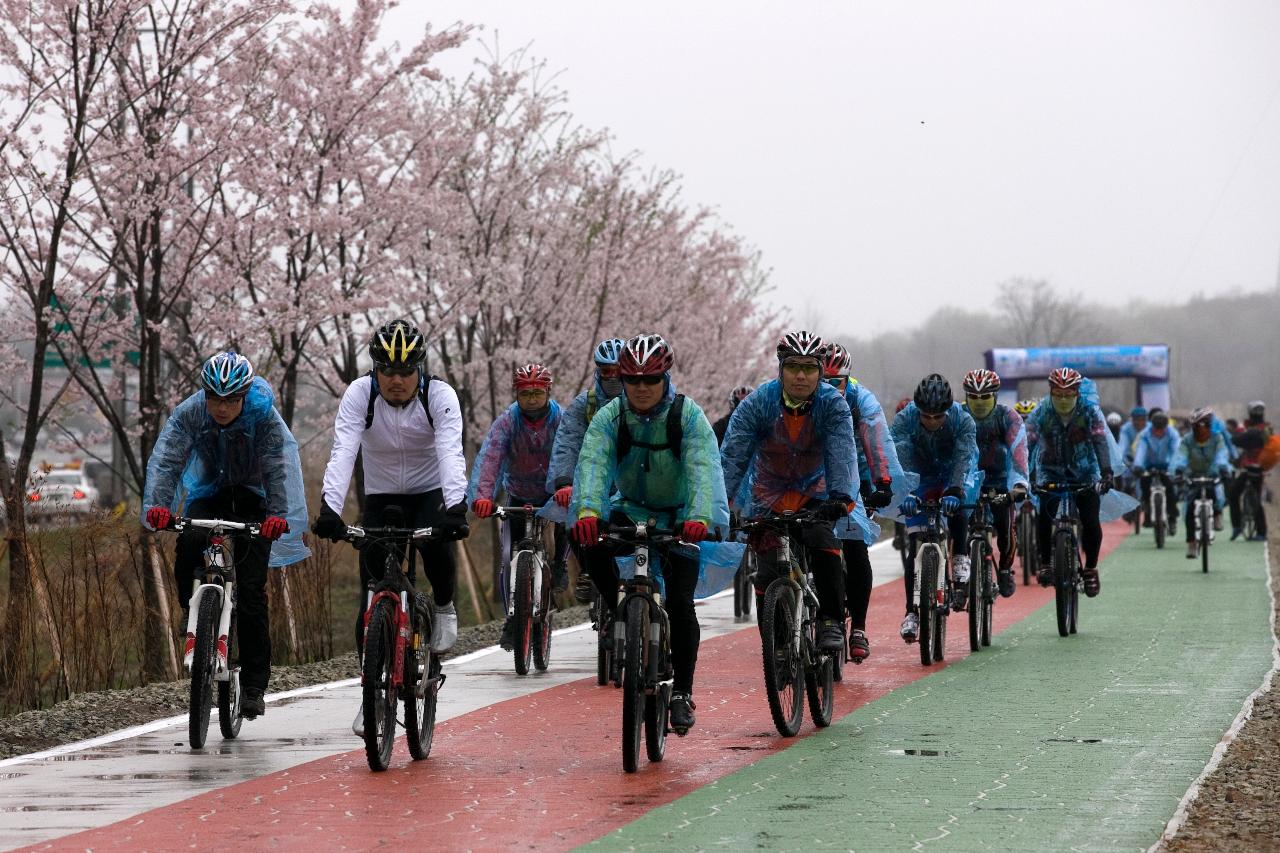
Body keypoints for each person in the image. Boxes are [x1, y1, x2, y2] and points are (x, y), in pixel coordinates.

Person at [311, 319, 470, 737]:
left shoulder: (440, 396)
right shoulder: (360, 396)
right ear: (375, 370)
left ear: (420, 368)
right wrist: (330, 508)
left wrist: (455, 506)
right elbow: (343, 449)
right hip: (381, 494)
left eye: (405, 372)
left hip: (429, 490)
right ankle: (371, 696)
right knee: (371, 588)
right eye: (388, 372)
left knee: (436, 546)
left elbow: (450, 451)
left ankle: (443, 606)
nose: (397, 381)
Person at [570, 334, 724, 735]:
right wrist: (588, 509)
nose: (641, 389)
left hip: (680, 514)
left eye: (650, 380)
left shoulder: (686, 416)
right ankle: (617, 613)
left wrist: (699, 516)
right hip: (631, 506)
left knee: (680, 604)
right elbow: (592, 463)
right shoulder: (611, 417)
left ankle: (683, 693)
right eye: (631, 380)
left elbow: (703, 468)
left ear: (664, 379)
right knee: (590, 542)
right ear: (621, 380)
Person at [142, 352, 309, 720]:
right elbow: (168, 460)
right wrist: (159, 506)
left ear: (244, 396)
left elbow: (279, 465)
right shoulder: (190, 413)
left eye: (231, 400)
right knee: (188, 544)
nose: (221, 407)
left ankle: (253, 685)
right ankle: (195, 618)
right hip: (209, 495)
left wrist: (278, 516)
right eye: (215, 398)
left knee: (251, 594)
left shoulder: (263, 417)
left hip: (255, 500)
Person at [721, 331, 857, 655]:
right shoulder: (759, 402)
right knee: (767, 570)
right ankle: (777, 645)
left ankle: (831, 622)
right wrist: (720, 504)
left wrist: (840, 497)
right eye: (793, 366)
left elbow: (842, 452)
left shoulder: (833, 405)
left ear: (820, 371)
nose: (800, 375)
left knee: (823, 540)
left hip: (815, 489)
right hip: (769, 493)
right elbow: (733, 455)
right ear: (780, 369)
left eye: (809, 368)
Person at [468, 364, 567, 650]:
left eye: (538, 392)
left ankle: (559, 563)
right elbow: (491, 459)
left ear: (548, 391)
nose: (532, 399)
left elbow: (571, 453)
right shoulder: (507, 422)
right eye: (525, 393)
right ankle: (512, 619)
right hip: (518, 493)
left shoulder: (561, 420)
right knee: (509, 556)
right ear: (517, 394)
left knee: (566, 522)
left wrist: (566, 487)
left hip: (552, 492)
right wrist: (483, 495)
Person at [823, 344, 897, 661]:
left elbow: (877, 440)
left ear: (848, 379)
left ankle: (859, 629)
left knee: (854, 546)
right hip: (816, 477)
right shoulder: (804, 400)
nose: (829, 390)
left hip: (858, 473)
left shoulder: (861, 400)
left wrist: (882, 482)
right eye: (823, 382)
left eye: (836, 383)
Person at [892, 374, 978, 640]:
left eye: (937, 416)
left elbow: (964, 457)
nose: (931, 421)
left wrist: (954, 489)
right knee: (916, 540)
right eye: (926, 416)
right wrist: (907, 492)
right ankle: (911, 612)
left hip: (953, 474)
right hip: (919, 476)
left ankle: (961, 559)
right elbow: (899, 457)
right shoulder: (905, 419)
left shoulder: (962, 419)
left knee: (959, 511)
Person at [546, 337, 626, 602]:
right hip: (595, 485)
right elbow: (567, 442)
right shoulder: (585, 405)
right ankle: (590, 571)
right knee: (576, 527)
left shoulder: (641, 400)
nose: (613, 377)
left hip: (632, 486)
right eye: (606, 371)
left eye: (618, 371)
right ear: (598, 371)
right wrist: (564, 482)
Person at [1023, 368, 1113, 596]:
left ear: (1077, 393)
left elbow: (1100, 441)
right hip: (1050, 472)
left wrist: (1107, 473)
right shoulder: (1041, 411)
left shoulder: (1089, 411)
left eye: (1069, 394)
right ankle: (1045, 563)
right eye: (1058, 394)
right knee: (1044, 515)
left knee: (1091, 521)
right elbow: (1028, 444)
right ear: (1051, 392)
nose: (1063, 399)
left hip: (1085, 473)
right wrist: (1026, 476)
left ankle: (1091, 569)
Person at [960, 369, 1029, 597]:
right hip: (966, 481)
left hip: (999, 480)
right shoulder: (957, 415)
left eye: (985, 397)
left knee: (1005, 527)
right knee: (957, 528)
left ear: (995, 397)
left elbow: (1018, 452)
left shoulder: (1008, 417)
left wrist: (1019, 485)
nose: (979, 403)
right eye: (974, 398)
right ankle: (959, 578)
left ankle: (1006, 569)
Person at [1173, 407, 1233, 557]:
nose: (1200, 430)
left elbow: (1221, 453)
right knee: (1189, 508)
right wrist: (1179, 470)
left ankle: (1217, 513)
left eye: (1203, 426)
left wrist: (1223, 468)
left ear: (1208, 425)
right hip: (1193, 475)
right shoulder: (1187, 440)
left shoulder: (1217, 438)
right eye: (1196, 427)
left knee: (1217, 495)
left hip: (1212, 473)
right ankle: (1192, 543)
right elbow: (1181, 455)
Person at [1131, 410, 1181, 534]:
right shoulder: (1145, 434)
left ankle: (1173, 517)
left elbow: (1176, 452)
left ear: (1165, 427)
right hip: (1149, 465)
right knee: (1144, 484)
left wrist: (1174, 468)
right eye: (1156, 429)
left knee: (1170, 489)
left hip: (1167, 465)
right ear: (1152, 426)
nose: (1158, 432)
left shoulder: (1173, 434)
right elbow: (1141, 451)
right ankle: (1148, 511)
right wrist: (1138, 465)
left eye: (1161, 429)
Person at [1228, 400, 1271, 541]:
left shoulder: (1250, 431)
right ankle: (1261, 532)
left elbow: (1236, 440)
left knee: (1234, 494)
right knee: (1256, 499)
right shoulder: (1266, 429)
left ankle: (1237, 526)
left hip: (1249, 469)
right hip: (1260, 469)